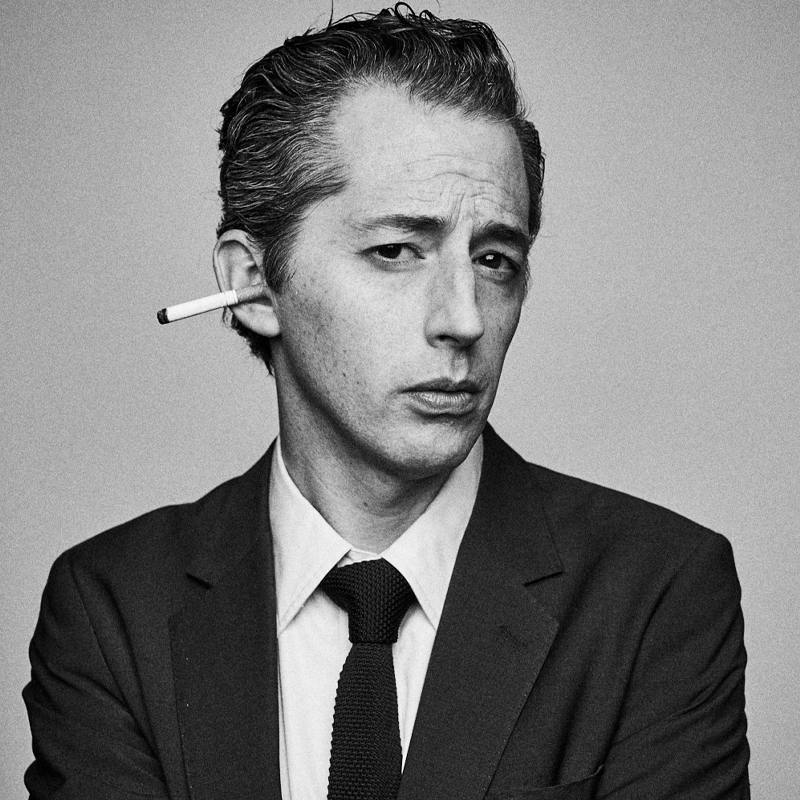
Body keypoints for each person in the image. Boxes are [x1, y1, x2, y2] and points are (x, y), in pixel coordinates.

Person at [23, 6, 750, 799]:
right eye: (396, 251)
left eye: (495, 259)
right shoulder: (112, 609)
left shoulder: (656, 592)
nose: (465, 319)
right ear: (252, 285)